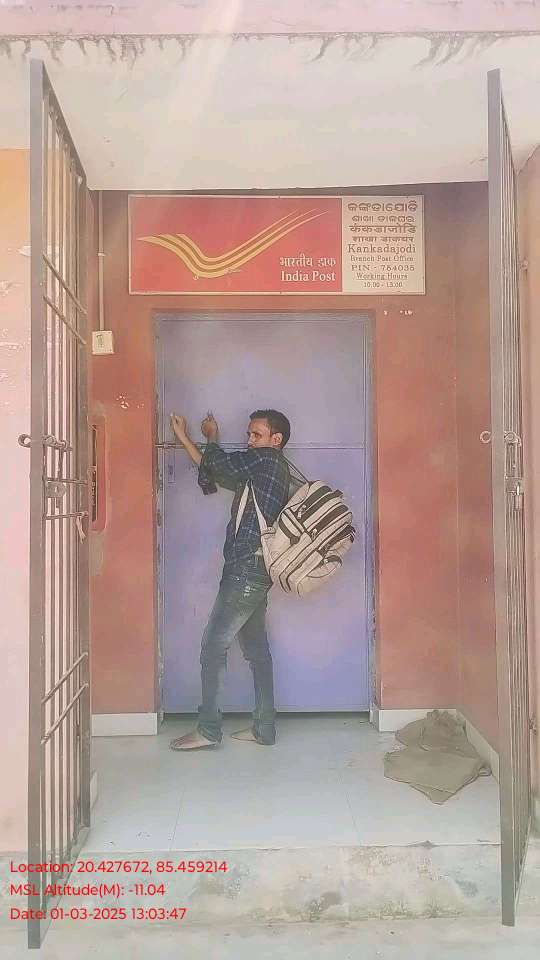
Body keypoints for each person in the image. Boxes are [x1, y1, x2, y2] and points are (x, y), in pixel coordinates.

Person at [168, 409, 291, 750]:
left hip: (246, 570)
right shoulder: (266, 468)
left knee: (213, 647)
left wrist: (211, 437)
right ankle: (264, 728)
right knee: (256, 651)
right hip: (257, 569)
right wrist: (185, 438)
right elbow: (214, 471)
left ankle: (208, 729)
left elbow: (220, 463)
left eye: (256, 434)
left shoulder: (265, 460)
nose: (250, 440)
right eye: (250, 434)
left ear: (275, 440)